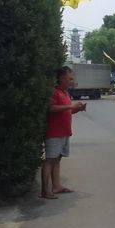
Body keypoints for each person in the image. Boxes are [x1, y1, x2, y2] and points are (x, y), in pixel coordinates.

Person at [41, 66, 86, 199]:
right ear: (61, 78)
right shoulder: (55, 92)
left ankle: (56, 186)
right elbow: (51, 108)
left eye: (72, 79)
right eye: (69, 79)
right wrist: (70, 106)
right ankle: (45, 191)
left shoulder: (65, 93)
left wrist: (77, 109)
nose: (72, 81)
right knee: (49, 160)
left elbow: (67, 111)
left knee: (57, 159)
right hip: (54, 133)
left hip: (64, 132)